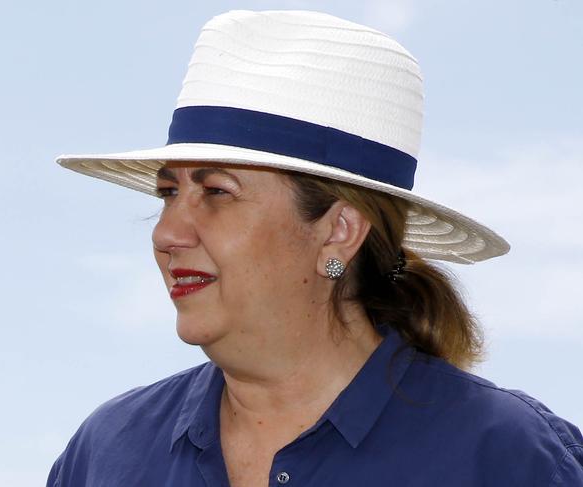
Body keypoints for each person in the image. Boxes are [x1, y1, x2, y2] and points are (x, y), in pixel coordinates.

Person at [47, 10, 583, 487]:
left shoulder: (504, 459)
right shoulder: (106, 453)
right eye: (168, 192)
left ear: (340, 230)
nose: (167, 235)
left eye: (215, 192)